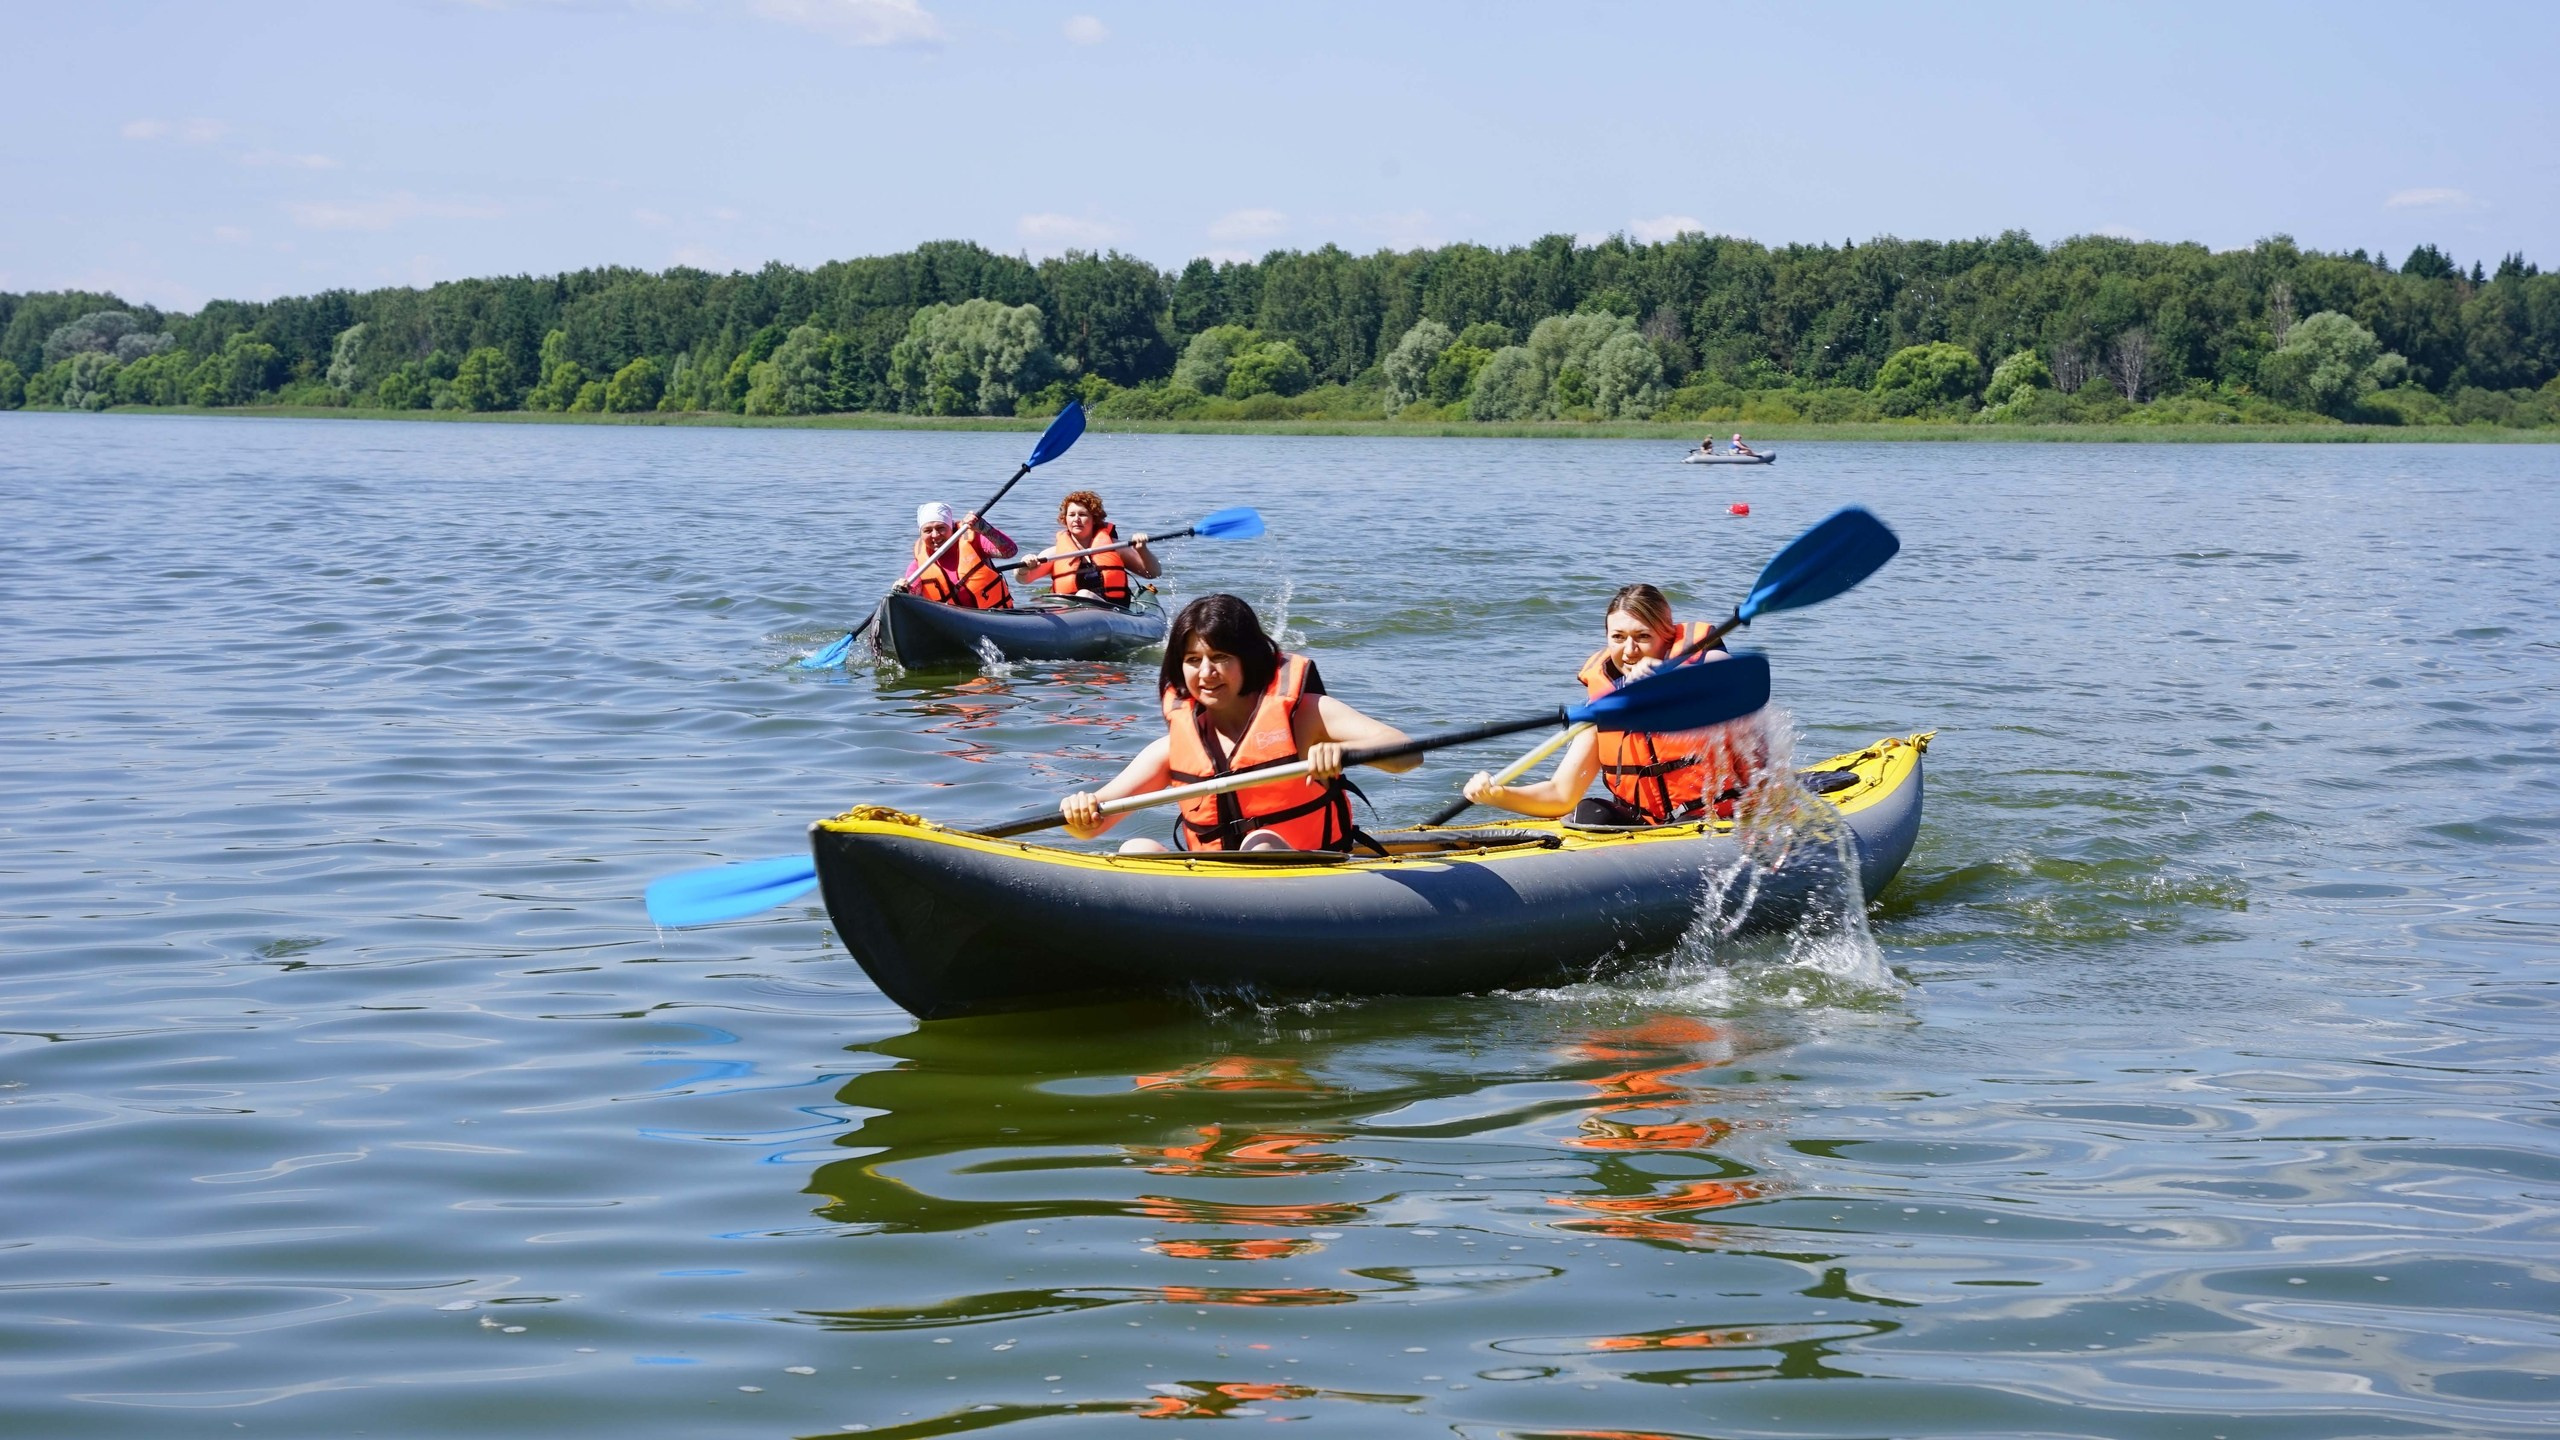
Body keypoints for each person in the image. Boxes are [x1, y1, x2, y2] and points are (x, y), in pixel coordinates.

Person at [1060, 594, 1418, 853]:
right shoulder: (1169, 750)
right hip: (1218, 892)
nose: (1206, 673)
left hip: (1312, 879)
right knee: (1136, 849)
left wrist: (1343, 751)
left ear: (1248, 659)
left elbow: (1407, 754)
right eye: (1193, 660)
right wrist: (1080, 811)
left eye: (1220, 657)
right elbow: (1090, 827)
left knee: (1260, 843)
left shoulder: (1305, 716)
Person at [1461, 583, 1753, 827]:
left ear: (1666, 638)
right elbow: (1561, 795)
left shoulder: (1706, 665)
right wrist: (1497, 795)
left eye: (1643, 636)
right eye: (1618, 638)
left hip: (1717, 820)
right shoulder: (1603, 708)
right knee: (1590, 813)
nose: (1629, 651)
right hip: (1649, 829)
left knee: (1688, 820)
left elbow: (1732, 682)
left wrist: (1666, 680)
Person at [1019, 490, 1159, 606]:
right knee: (1044, 601)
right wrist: (1023, 567)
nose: (1076, 519)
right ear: (1065, 519)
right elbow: (1023, 579)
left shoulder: (1115, 546)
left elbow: (1153, 573)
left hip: (1114, 613)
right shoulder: (1055, 553)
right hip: (1071, 614)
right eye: (1071, 515)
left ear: (1094, 519)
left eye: (1082, 514)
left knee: (1084, 595)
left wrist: (1142, 550)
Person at [898, 501, 1016, 611]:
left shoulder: (974, 542)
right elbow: (912, 593)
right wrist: (902, 590)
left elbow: (1010, 551)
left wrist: (984, 528)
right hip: (950, 619)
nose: (935, 535)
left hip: (993, 614)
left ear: (951, 527)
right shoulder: (919, 565)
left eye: (941, 528)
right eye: (928, 530)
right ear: (921, 533)